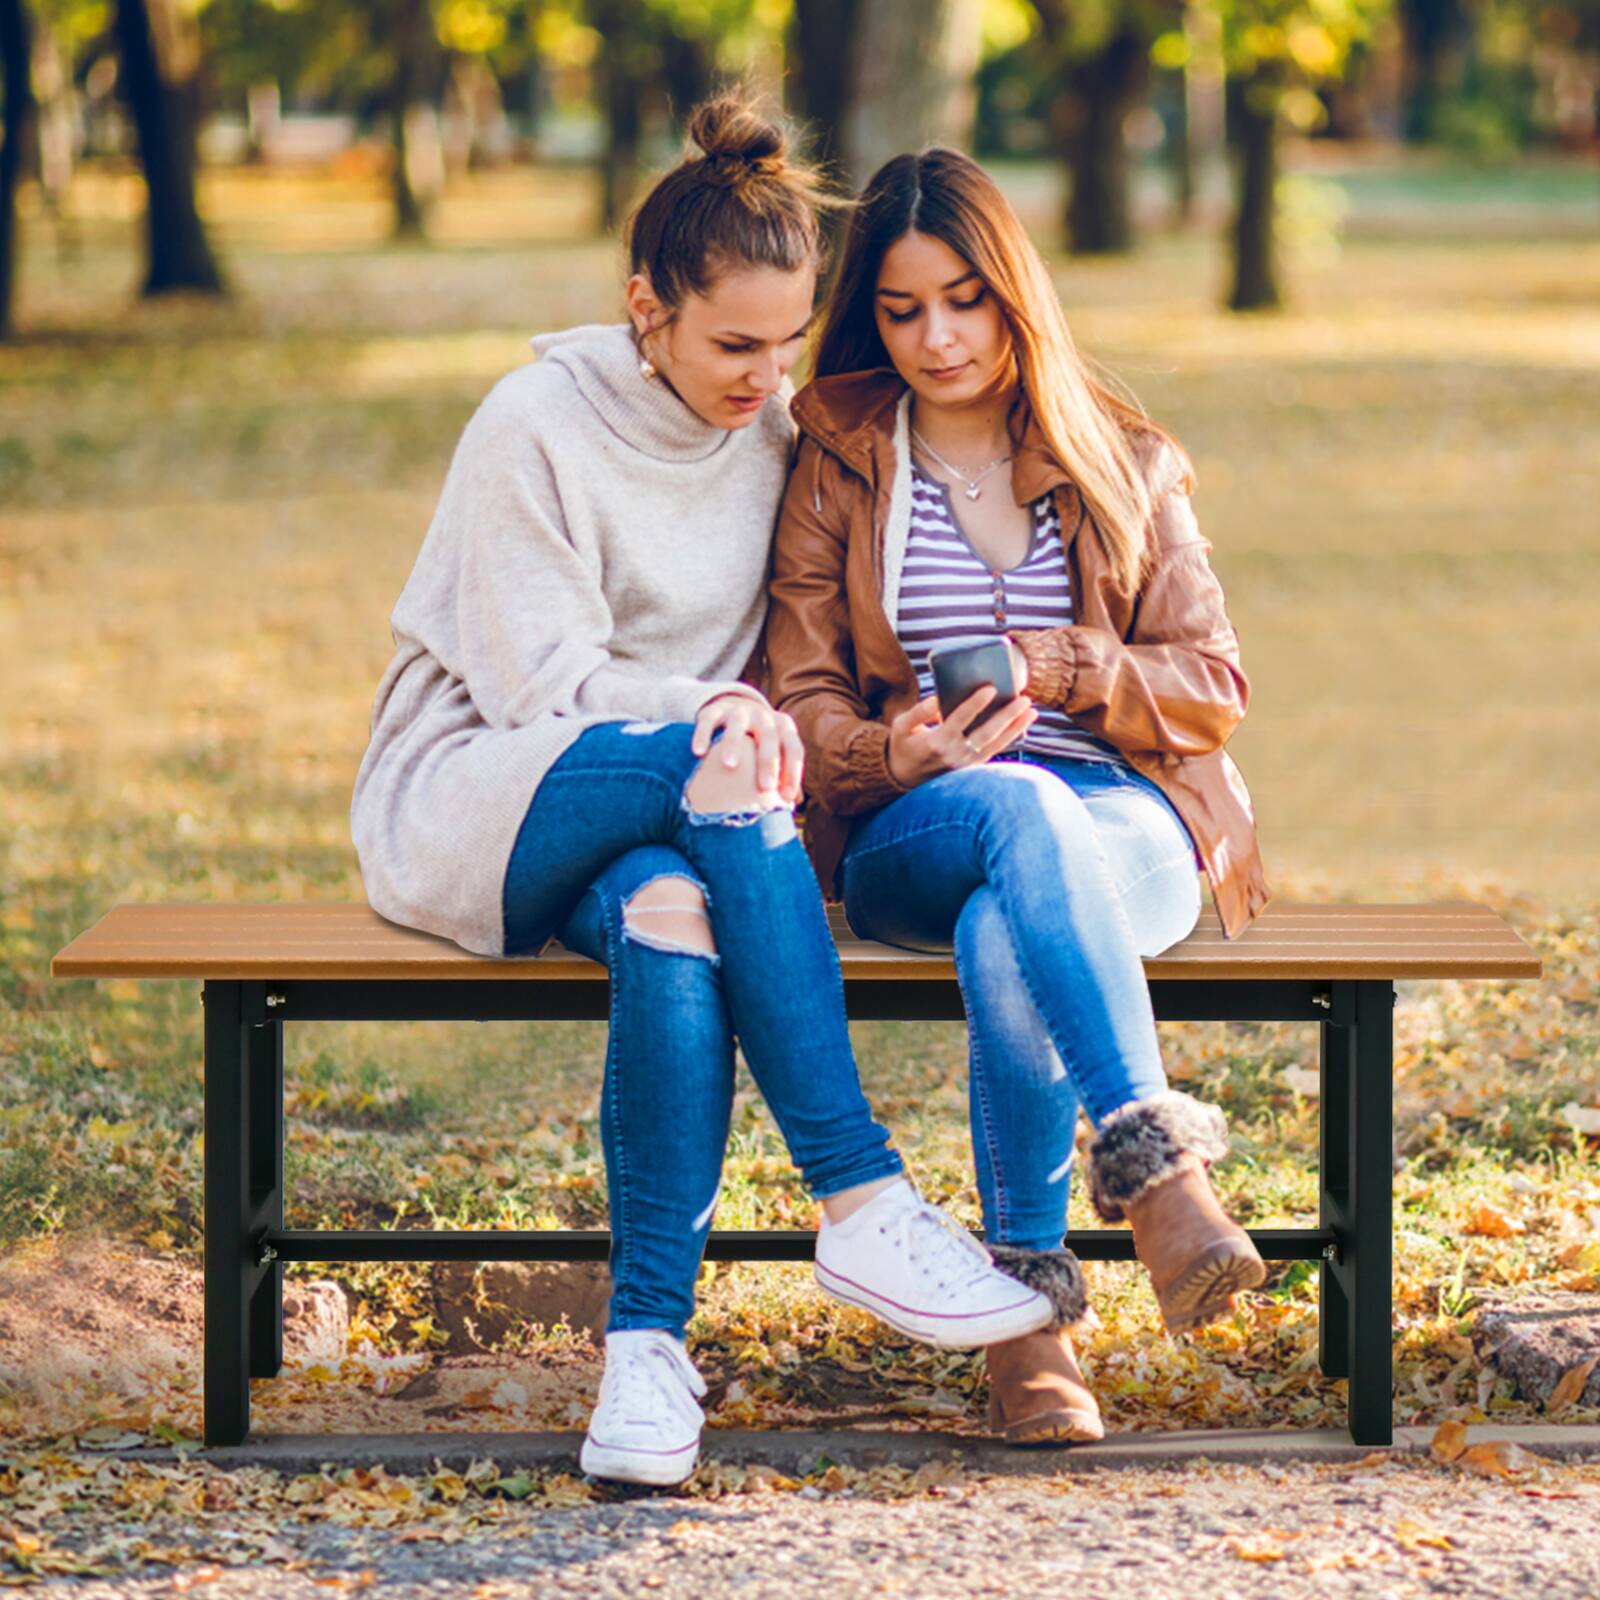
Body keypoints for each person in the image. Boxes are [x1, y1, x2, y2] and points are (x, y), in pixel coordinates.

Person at [349, 103, 1058, 1488]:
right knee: (717, 770)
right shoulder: (532, 425)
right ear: (643, 309)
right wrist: (713, 718)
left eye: (787, 343)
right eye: (734, 344)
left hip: (691, 810)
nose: (765, 378)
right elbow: (543, 689)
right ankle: (858, 1194)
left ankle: (644, 1361)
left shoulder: (779, 434)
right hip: (481, 791)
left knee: (674, 917)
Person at [764, 146, 1274, 1447]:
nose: (936, 338)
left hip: (1130, 818)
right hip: (922, 821)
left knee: (1017, 915)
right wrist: (896, 755)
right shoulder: (838, 456)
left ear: (1013, 294)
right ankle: (1160, 1180)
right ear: (869, 316)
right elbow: (803, 690)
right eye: (900, 308)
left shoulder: (1124, 457)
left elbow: (1213, 680)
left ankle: (1027, 1326)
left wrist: (1070, 667)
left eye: (964, 300)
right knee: (1013, 821)